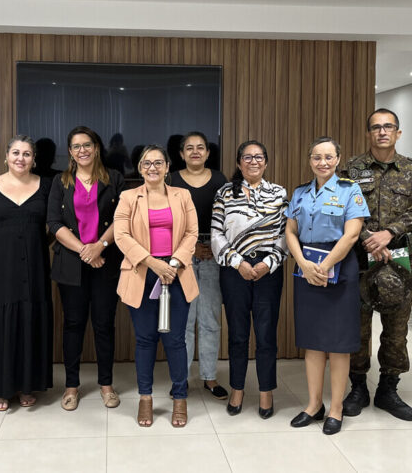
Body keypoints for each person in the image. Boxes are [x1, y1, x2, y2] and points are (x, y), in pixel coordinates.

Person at [339, 108, 412, 422]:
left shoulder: (411, 169)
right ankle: (358, 388)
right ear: (368, 133)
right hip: (359, 254)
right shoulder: (351, 168)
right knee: (358, 327)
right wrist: (368, 237)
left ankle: (389, 388)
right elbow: (339, 208)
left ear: (398, 133)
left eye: (388, 127)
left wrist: (389, 233)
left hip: (401, 255)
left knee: (396, 329)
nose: (382, 132)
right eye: (376, 127)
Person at [285, 137, 369, 435]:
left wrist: (325, 265)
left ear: (338, 159)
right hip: (306, 268)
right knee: (313, 341)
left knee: (338, 344)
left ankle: (335, 409)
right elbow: (290, 231)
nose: (323, 162)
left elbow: (351, 235)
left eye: (328, 157)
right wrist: (304, 265)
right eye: (317, 157)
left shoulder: (350, 191)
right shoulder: (300, 193)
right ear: (310, 160)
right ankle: (313, 405)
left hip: (339, 267)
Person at [114, 145, 199, 427]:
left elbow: (192, 233)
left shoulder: (182, 195)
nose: (152, 167)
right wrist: (153, 263)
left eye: (158, 162)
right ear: (139, 168)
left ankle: (179, 397)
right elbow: (121, 234)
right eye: (146, 163)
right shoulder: (128, 197)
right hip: (142, 273)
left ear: (167, 166)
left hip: (176, 273)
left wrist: (172, 264)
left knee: (175, 340)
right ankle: (146, 398)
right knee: (145, 340)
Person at [0, 136, 53, 411]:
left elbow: (54, 227)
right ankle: (1, 388)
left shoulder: (46, 186)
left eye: (27, 154)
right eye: (16, 153)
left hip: (35, 270)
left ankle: (27, 386)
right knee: (1, 323)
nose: (21, 158)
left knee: (31, 320)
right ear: (6, 157)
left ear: (34, 159)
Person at [47, 126, 125, 411]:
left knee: (104, 325)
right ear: (70, 151)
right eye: (76, 146)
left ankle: (106, 385)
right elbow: (54, 223)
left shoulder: (114, 178)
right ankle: (71, 386)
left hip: (106, 263)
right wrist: (85, 250)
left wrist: (99, 247)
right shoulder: (60, 181)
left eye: (87, 145)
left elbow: (123, 219)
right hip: (72, 264)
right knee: (73, 325)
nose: (82, 150)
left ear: (96, 148)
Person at [211, 140, 288, 419]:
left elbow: (286, 234)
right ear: (239, 162)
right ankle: (237, 389)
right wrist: (237, 262)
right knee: (238, 334)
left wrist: (269, 263)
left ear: (266, 162)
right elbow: (216, 235)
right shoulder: (224, 193)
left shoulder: (279, 193)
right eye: (247, 157)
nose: (253, 161)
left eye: (259, 157)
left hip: (269, 271)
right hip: (234, 270)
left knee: (266, 334)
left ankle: (266, 391)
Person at [169, 132, 229, 400]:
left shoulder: (220, 179)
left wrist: (214, 248)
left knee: (209, 319)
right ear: (181, 154)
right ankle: (180, 379)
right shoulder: (171, 180)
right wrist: (190, 247)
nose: (195, 152)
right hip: (179, 254)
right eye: (189, 148)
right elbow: (165, 220)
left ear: (207, 153)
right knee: (183, 321)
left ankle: (210, 377)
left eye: (200, 148)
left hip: (213, 254)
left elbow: (228, 219)